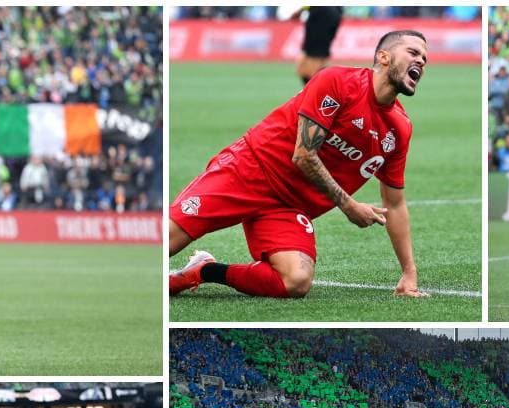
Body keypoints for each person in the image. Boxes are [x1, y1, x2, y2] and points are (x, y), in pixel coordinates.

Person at [168, 30, 430, 299]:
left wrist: (409, 273)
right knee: (167, 239)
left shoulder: (399, 129)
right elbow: (304, 155)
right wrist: (349, 205)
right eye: (413, 52)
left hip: (288, 206)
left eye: (424, 57)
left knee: (296, 280)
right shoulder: (338, 81)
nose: (421, 61)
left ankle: (203, 271)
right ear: (383, 57)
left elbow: (395, 204)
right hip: (250, 169)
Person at [293, 7, 344, 84]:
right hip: (325, 16)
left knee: (310, 67)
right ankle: (320, 89)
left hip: (323, 17)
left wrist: (300, 11)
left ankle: (325, 90)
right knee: (304, 67)